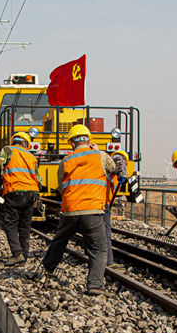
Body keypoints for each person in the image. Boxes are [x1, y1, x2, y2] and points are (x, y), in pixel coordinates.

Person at [37, 124, 118, 296]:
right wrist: (98, 151)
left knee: (59, 241)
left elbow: (60, 187)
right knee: (99, 249)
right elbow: (113, 169)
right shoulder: (100, 156)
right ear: (89, 140)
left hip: (70, 210)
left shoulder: (66, 161)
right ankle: (94, 286)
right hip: (93, 211)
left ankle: (46, 270)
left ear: (72, 144)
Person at [0, 131, 42, 265]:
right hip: (31, 194)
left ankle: (17, 253)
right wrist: (38, 191)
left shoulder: (8, 150)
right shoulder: (31, 156)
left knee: (11, 224)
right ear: (25, 143)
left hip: (14, 192)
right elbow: (38, 177)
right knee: (25, 226)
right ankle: (24, 255)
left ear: (14, 141)